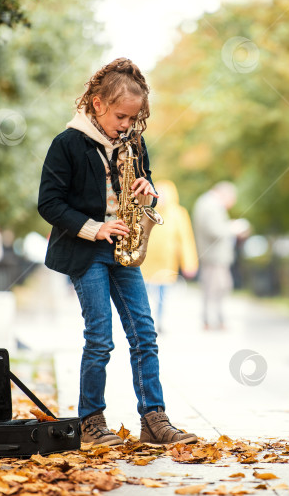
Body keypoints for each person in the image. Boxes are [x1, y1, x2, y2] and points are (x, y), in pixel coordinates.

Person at [38, 58, 197, 447]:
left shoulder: (134, 143)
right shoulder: (67, 144)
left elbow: (146, 186)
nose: (126, 125)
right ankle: (91, 422)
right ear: (97, 104)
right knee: (100, 337)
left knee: (145, 333)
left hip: (124, 251)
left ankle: (154, 420)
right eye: (121, 116)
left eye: (133, 118)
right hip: (86, 250)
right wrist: (95, 228)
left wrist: (148, 189)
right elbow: (49, 203)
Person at [140, 180, 198, 333]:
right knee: (142, 295)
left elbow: (186, 240)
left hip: (166, 264)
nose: (161, 197)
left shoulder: (179, 213)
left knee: (161, 297)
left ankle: (159, 322)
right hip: (145, 263)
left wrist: (189, 263)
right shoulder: (146, 210)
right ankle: (143, 322)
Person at [192, 181, 249, 330]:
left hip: (214, 256)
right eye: (230, 201)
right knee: (216, 289)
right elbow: (215, 230)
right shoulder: (210, 205)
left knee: (217, 288)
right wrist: (233, 227)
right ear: (225, 195)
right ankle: (212, 320)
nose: (229, 205)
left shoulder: (207, 203)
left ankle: (213, 320)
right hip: (214, 257)